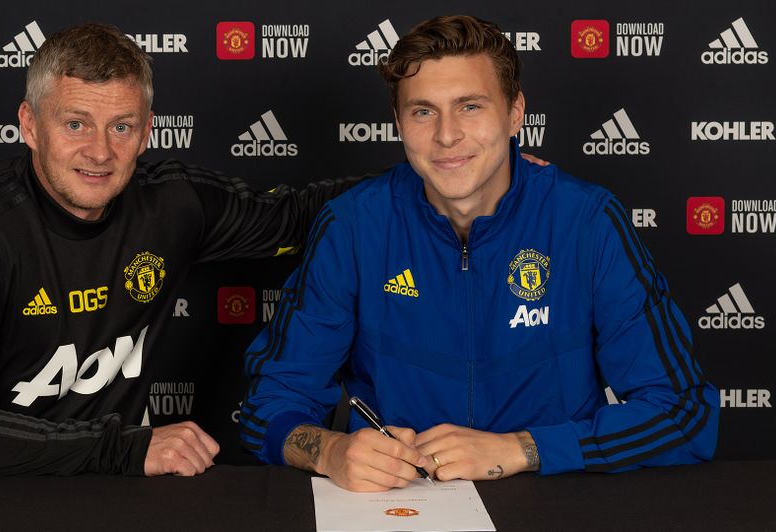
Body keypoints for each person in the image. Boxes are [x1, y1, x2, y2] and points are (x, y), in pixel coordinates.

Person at [239, 15, 719, 492]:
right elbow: (268, 407)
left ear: (515, 113)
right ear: (399, 123)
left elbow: (683, 412)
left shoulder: (586, 221)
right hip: (401, 508)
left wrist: (523, 449)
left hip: (555, 500)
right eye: (423, 111)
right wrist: (329, 450)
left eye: (470, 106)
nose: (447, 135)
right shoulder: (353, 227)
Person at [0, 22, 363, 476]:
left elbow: (301, 216)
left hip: (108, 493)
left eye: (121, 127)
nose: (99, 152)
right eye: (76, 124)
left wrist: (427, 176)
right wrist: (123, 449)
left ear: (146, 133)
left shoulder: (172, 204)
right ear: (30, 125)